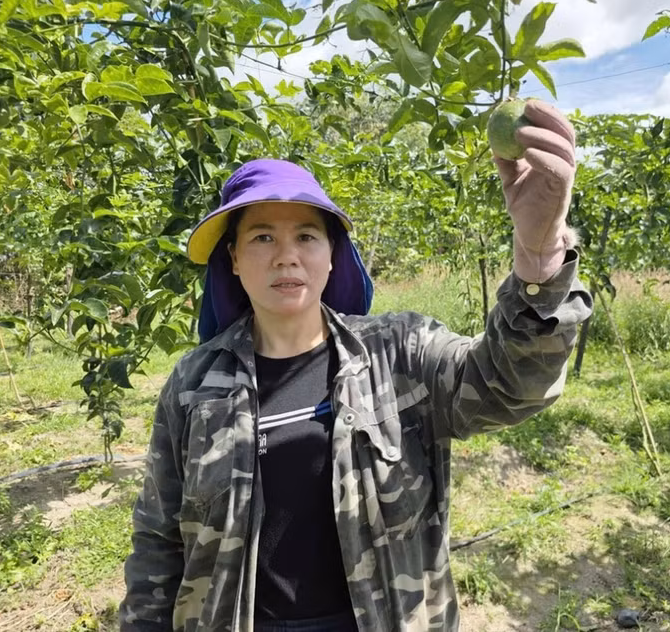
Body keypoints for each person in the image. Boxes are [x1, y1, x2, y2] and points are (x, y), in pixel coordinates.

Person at [120, 99, 593, 632]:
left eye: (305, 235)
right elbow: (159, 538)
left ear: (330, 254)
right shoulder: (194, 385)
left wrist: (539, 252)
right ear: (232, 258)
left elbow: (508, 387)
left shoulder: (400, 353)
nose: (286, 255)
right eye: (261, 237)